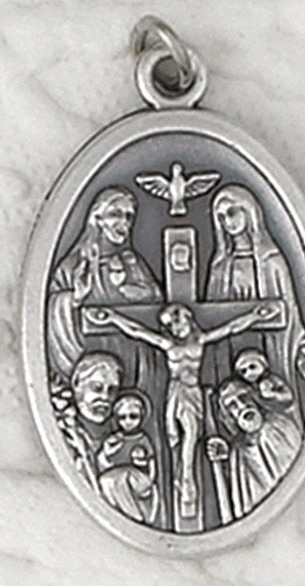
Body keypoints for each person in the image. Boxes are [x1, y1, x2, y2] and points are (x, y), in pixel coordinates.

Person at [85, 301, 281, 519]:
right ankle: (179, 478)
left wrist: (256, 316)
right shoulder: (169, 345)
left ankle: (187, 479)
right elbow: (137, 331)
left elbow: (231, 328)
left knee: (191, 434)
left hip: (191, 393)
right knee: (173, 438)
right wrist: (113, 318)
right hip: (174, 392)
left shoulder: (200, 340)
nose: (175, 329)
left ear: (188, 317)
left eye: (176, 322)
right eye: (170, 326)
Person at [204, 184, 305, 422]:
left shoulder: (272, 262)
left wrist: (302, 349)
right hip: (233, 349)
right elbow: (209, 317)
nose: (227, 222)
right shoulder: (220, 268)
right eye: (221, 217)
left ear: (249, 212)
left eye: (232, 212)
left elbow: (290, 312)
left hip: (269, 348)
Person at [47, 186, 163, 382]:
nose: (124, 222)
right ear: (98, 219)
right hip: (96, 357)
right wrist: (75, 298)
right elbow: (49, 311)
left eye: (128, 216)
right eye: (115, 214)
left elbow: (159, 306)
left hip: (136, 357)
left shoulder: (133, 263)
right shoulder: (73, 266)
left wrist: (136, 292)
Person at [206, 377, 301, 519]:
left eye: (244, 397)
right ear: (229, 417)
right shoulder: (237, 451)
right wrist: (225, 459)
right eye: (232, 405)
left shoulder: (280, 426)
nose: (242, 406)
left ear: (255, 398)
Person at [52, 351, 123, 490]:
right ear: (76, 383)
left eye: (112, 390)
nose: (105, 397)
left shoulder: (119, 434)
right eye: (97, 388)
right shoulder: (66, 430)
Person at [97, 391, 159, 525]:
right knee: (106, 480)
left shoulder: (142, 439)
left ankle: (133, 515)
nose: (128, 421)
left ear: (142, 416)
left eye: (133, 416)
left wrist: (148, 475)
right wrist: (106, 454)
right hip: (117, 478)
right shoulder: (114, 440)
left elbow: (152, 463)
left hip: (138, 479)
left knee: (121, 477)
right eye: (122, 417)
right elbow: (104, 465)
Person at [234, 348, 294, 413]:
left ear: (263, 364)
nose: (249, 373)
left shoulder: (272, 379)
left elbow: (288, 396)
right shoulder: (252, 387)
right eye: (244, 371)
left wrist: (273, 394)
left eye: (252, 367)